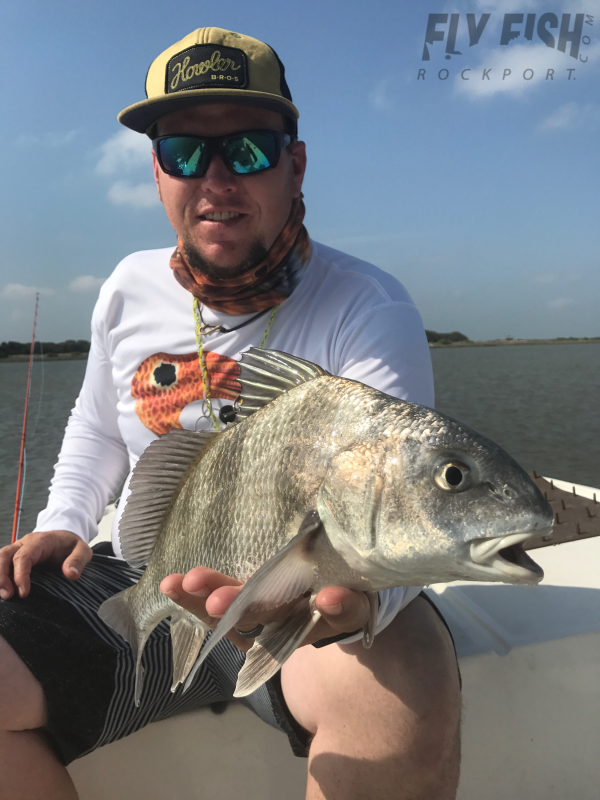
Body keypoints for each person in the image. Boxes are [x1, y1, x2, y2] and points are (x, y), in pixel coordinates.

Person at [0, 28, 461, 800]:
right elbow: (97, 426)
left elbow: (401, 511)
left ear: (296, 163)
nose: (215, 178)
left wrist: (346, 613)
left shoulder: (367, 308)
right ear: (156, 173)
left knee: (410, 681)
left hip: (301, 600)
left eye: (247, 149)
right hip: (149, 571)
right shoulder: (125, 288)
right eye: (184, 151)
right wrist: (67, 521)